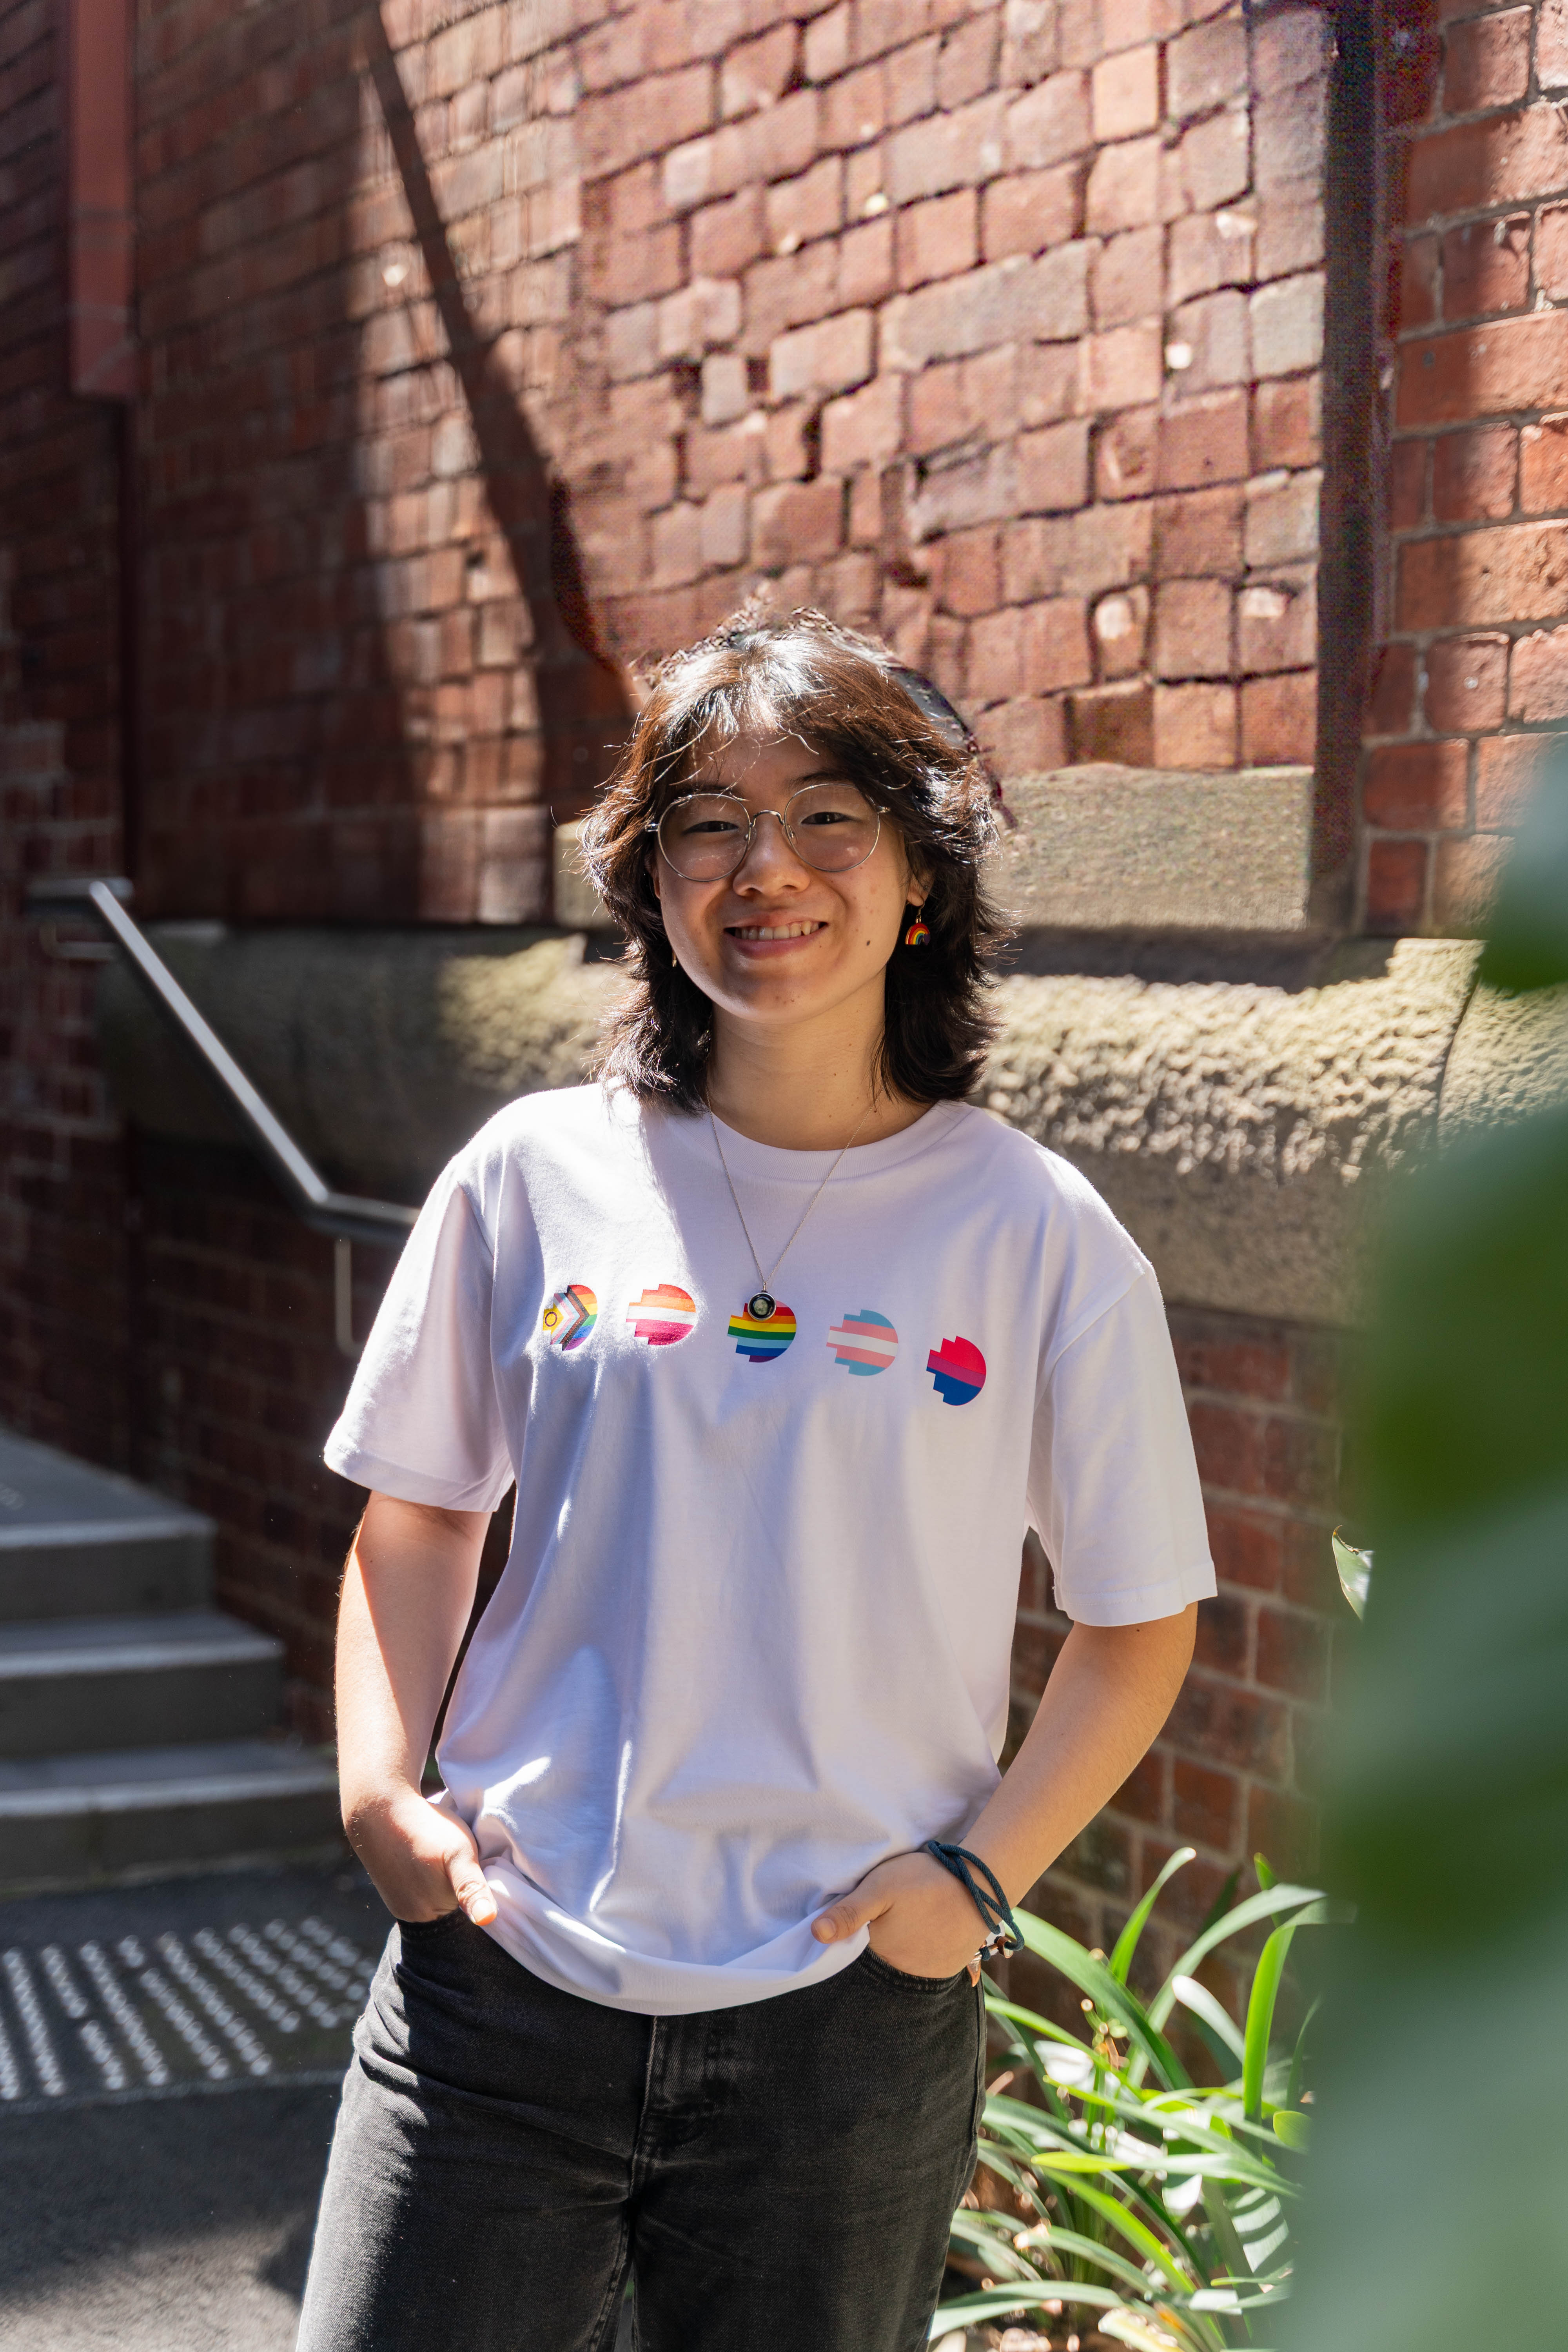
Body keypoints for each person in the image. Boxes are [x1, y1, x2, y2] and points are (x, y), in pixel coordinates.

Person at [297, 609, 1214, 2352]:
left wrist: (979, 1884)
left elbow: (1136, 1618)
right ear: (648, 881)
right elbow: (417, 1512)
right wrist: (376, 1793)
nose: (760, 867)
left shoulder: (1032, 1234)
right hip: (505, 1974)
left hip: (842, 2023)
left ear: (918, 883)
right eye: (706, 820)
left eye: (825, 819)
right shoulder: (532, 1176)